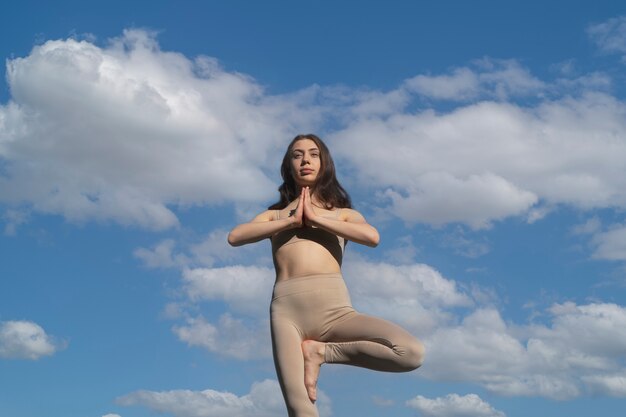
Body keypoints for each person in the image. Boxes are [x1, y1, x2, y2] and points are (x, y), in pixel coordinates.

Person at [228, 134, 424, 417]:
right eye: (297, 155)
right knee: (301, 410)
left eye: (313, 154)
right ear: (289, 166)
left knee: (410, 352)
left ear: (325, 164)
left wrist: (317, 218)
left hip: (336, 312)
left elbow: (372, 237)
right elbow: (235, 236)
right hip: (287, 317)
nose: (305, 160)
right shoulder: (274, 216)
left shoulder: (342, 214)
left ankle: (320, 353)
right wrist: (291, 220)